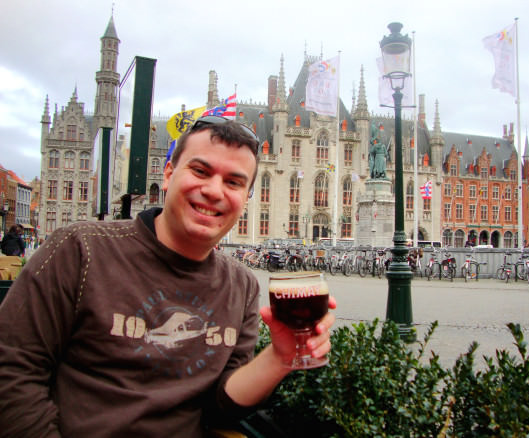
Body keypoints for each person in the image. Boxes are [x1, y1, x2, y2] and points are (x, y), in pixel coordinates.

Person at [0, 116, 336, 437]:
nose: (215, 191)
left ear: (246, 198)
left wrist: (279, 357)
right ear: (169, 174)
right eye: (200, 170)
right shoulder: (80, 249)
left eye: (233, 182)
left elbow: (219, 408)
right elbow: (12, 372)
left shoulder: (241, 285)